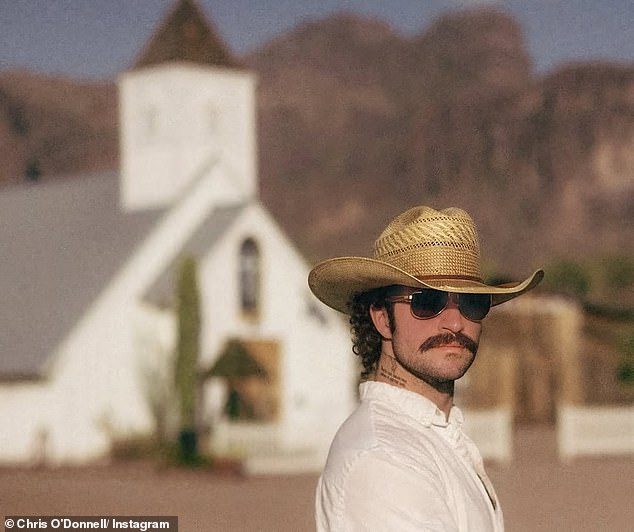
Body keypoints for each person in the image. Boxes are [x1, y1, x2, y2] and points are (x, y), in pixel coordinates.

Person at [308, 205, 543, 532]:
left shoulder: (426, 437)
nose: (455, 322)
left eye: (471, 302)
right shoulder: (383, 460)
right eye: (427, 301)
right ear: (381, 318)